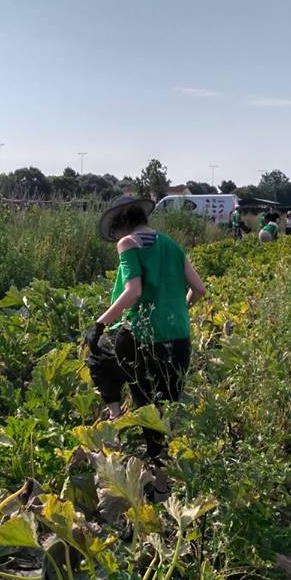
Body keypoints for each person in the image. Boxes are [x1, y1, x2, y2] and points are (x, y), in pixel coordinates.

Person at [84, 195, 206, 462]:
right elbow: (199, 289)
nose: (116, 237)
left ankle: (115, 418)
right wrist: (179, 308)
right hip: (179, 338)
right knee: (165, 407)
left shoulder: (128, 243)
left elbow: (133, 292)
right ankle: (165, 470)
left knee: (98, 358)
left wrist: (99, 324)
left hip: (141, 336)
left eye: (115, 230)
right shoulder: (171, 244)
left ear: (123, 222)